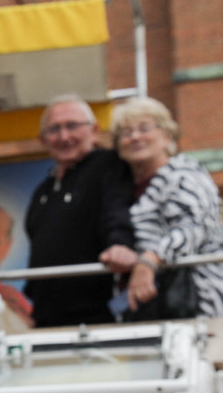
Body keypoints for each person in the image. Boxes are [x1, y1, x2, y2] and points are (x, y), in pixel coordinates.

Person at [97, 96, 223, 320]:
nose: (135, 137)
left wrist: (150, 259)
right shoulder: (123, 188)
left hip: (205, 304)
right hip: (157, 309)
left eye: (144, 128)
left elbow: (195, 226)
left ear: (167, 136)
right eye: (126, 133)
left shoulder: (183, 173)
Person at [22, 95, 137, 327]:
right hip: (46, 317)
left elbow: (116, 210)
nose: (64, 136)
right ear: (42, 139)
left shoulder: (109, 166)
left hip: (96, 316)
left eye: (72, 126)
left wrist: (120, 244)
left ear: (94, 131)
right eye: (54, 129)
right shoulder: (43, 189)